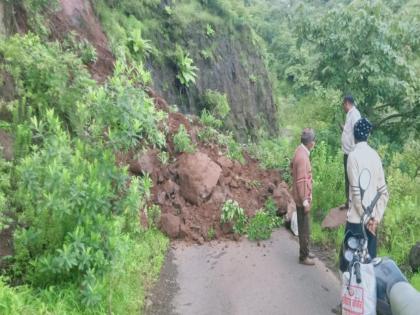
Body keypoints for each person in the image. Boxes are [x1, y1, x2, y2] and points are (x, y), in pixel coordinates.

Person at [339, 117, 389, 272]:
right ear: (368, 135)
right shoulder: (375, 156)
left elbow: (355, 194)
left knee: (349, 265)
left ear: (354, 136)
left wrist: (365, 219)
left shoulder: (353, 157)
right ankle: (366, 296)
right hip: (372, 223)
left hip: (356, 222)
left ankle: (349, 296)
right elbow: (384, 192)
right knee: (368, 267)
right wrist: (375, 219)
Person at [291, 128, 316, 266]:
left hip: (301, 196)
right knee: (304, 228)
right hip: (302, 199)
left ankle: (306, 250)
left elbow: (291, 167)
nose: (315, 143)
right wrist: (305, 201)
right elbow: (301, 182)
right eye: (314, 141)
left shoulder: (299, 151)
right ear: (311, 143)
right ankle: (303, 256)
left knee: (305, 226)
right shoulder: (302, 157)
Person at [341, 95, 361, 210]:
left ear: (347, 103)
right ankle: (348, 202)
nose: (343, 107)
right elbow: (350, 131)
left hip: (352, 153)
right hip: (347, 152)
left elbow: (356, 132)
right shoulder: (349, 114)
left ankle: (353, 203)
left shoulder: (355, 114)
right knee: (348, 177)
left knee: (352, 178)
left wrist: (354, 152)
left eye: (343, 104)